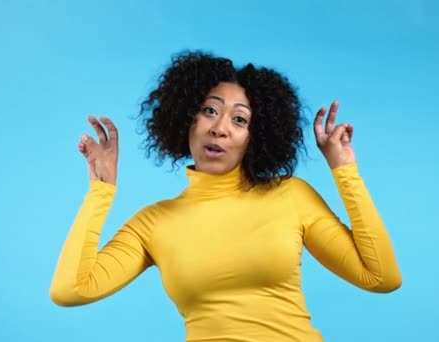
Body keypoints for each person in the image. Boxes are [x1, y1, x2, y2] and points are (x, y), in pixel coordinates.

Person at [49, 50, 402, 341]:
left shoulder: (290, 196)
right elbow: (70, 290)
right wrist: (101, 191)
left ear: (255, 136)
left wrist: (344, 170)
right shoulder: (152, 223)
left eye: (239, 120)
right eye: (209, 111)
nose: (219, 127)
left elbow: (381, 277)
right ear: (187, 119)